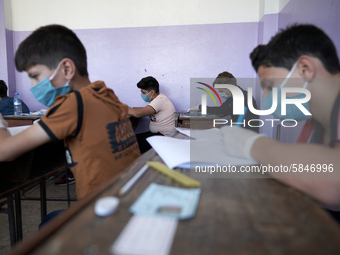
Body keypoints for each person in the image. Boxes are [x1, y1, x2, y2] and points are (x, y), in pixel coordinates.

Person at [0, 24, 140, 199]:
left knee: (47, 224)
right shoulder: (105, 93)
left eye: (35, 76)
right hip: (131, 197)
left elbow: (4, 151)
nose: (33, 87)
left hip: (99, 211)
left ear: (66, 69)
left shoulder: (73, 103)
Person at [219, 24, 340, 212]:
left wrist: (252, 144)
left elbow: (334, 181)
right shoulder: (313, 125)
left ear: (305, 68)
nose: (266, 98)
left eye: (270, 86)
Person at [188, 72, 259, 132]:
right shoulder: (234, 96)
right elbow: (222, 109)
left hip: (246, 137)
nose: (219, 93)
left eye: (221, 91)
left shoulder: (242, 97)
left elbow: (222, 111)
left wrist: (200, 107)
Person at [128, 76, 176, 153]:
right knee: (132, 139)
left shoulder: (160, 100)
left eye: (143, 92)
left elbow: (139, 113)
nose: (141, 94)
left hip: (164, 137)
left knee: (129, 143)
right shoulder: (158, 99)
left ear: (152, 92)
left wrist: (122, 108)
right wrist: (131, 108)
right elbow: (145, 109)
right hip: (157, 134)